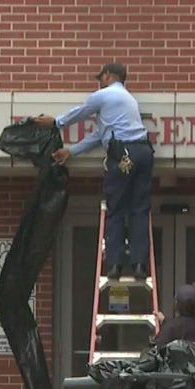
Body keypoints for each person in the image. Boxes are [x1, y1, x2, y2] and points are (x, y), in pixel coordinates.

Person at [33, 62, 153, 281]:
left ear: (108, 76)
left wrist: (56, 122)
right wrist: (72, 151)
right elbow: (100, 135)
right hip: (144, 152)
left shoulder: (105, 95)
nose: (99, 82)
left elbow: (81, 111)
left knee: (116, 210)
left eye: (100, 77)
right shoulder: (127, 100)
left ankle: (115, 265)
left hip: (124, 155)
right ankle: (139, 266)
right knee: (139, 210)